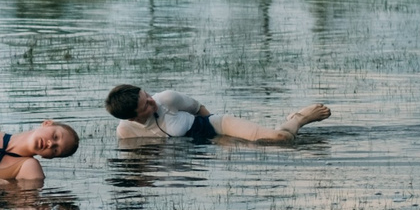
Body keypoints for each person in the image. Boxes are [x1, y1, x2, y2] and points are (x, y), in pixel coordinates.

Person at [104, 86, 331, 145]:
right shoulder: (127, 131)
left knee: (280, 141)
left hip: (215, 126)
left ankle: (298, 118)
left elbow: (201, 109)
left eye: (147, 95)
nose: (152, 100)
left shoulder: (167, 99)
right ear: (133, 117)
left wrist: (224, 134)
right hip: (205, 148)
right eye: (146, 104)